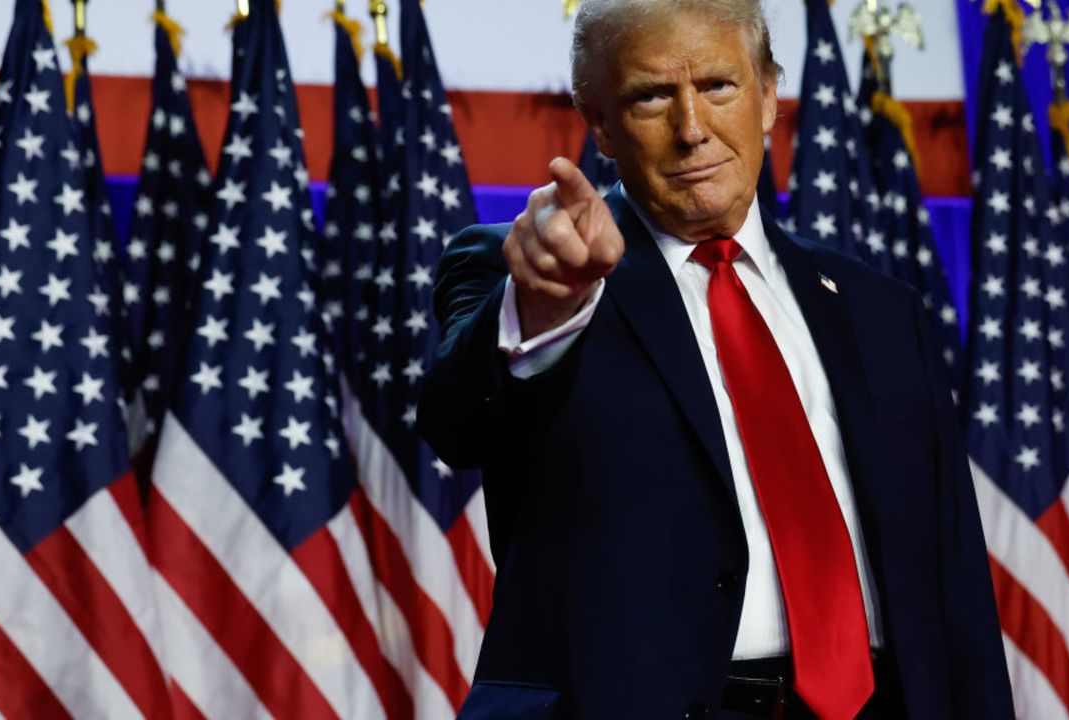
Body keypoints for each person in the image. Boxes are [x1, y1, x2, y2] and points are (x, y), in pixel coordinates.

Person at [420, 1, 1014, 717]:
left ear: (768, 95)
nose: (692, 129)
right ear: (600, 123)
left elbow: (953, 587)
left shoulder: (880, 311)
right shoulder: (529, 274)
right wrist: (547, 307)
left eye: (719, 87)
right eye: (650, 96)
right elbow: (457, 421)